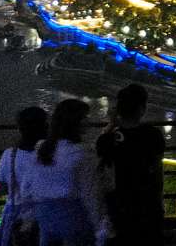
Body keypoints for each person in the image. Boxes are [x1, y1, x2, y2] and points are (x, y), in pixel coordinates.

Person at [26, 99, 110, 246]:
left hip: (45, 217)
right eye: (85, 117)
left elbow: (29, 186)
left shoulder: (41, 149)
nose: (88, 121)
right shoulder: (83, 153)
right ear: (75, 123)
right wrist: (101, 228)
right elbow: (91, 195)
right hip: (74, 219)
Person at [95, 84, 164, 245]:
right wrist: (159, 200)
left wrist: (112, 123)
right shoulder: (152, 134)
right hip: (147, 200)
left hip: (119, 201)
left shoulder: (109, 138)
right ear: (141, 109)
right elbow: (157, 170)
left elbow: (102, 156)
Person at [0, 106, 49, 246]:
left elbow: (0, 189)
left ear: (20, 129)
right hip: (46, 216)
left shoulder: (9, 155)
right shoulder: (52, 155)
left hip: (16, 217)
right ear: (45, 127)